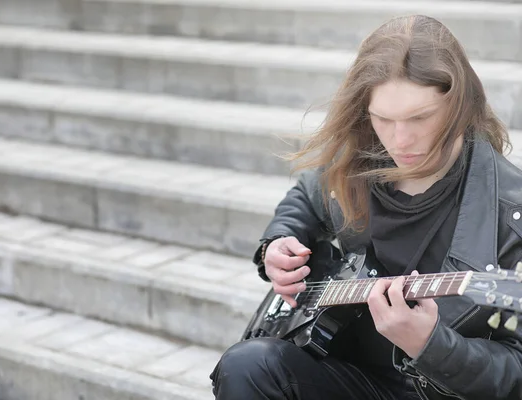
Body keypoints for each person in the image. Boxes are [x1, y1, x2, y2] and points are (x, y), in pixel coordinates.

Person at [210, 14, 522, 400]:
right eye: (383, 119)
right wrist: (279, 241)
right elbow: (308, 193)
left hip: (437, 392)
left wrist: (432, 345)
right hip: (345, 372)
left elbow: (515, 375)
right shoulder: (361, 160)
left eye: (420, 117)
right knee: (246, 366)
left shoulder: (510, 212)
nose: (400, 140)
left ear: (459, 106)